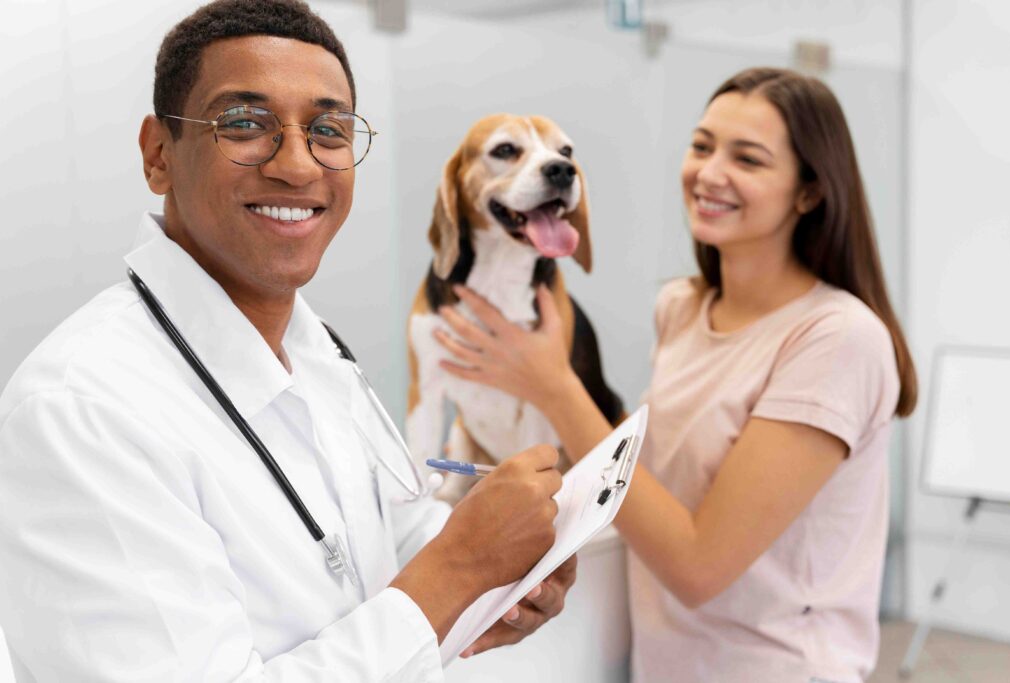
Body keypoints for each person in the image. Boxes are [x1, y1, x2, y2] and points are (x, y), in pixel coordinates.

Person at [0, 1, 575, 680]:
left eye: (328, 131)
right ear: (159, 155)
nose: (298, 166)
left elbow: (388, 546)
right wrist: (462, 569)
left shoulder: (318, 350)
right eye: (245, 123)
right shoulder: (80, 410)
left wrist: (503, 576)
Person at [433, 67, 918, 682]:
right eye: (702, 146)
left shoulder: (836, 338)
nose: (710, 173)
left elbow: (698, 566)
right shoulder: (682, 307)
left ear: (808, 193)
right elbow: (653, 491)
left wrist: (553, 386)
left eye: (748, 158)